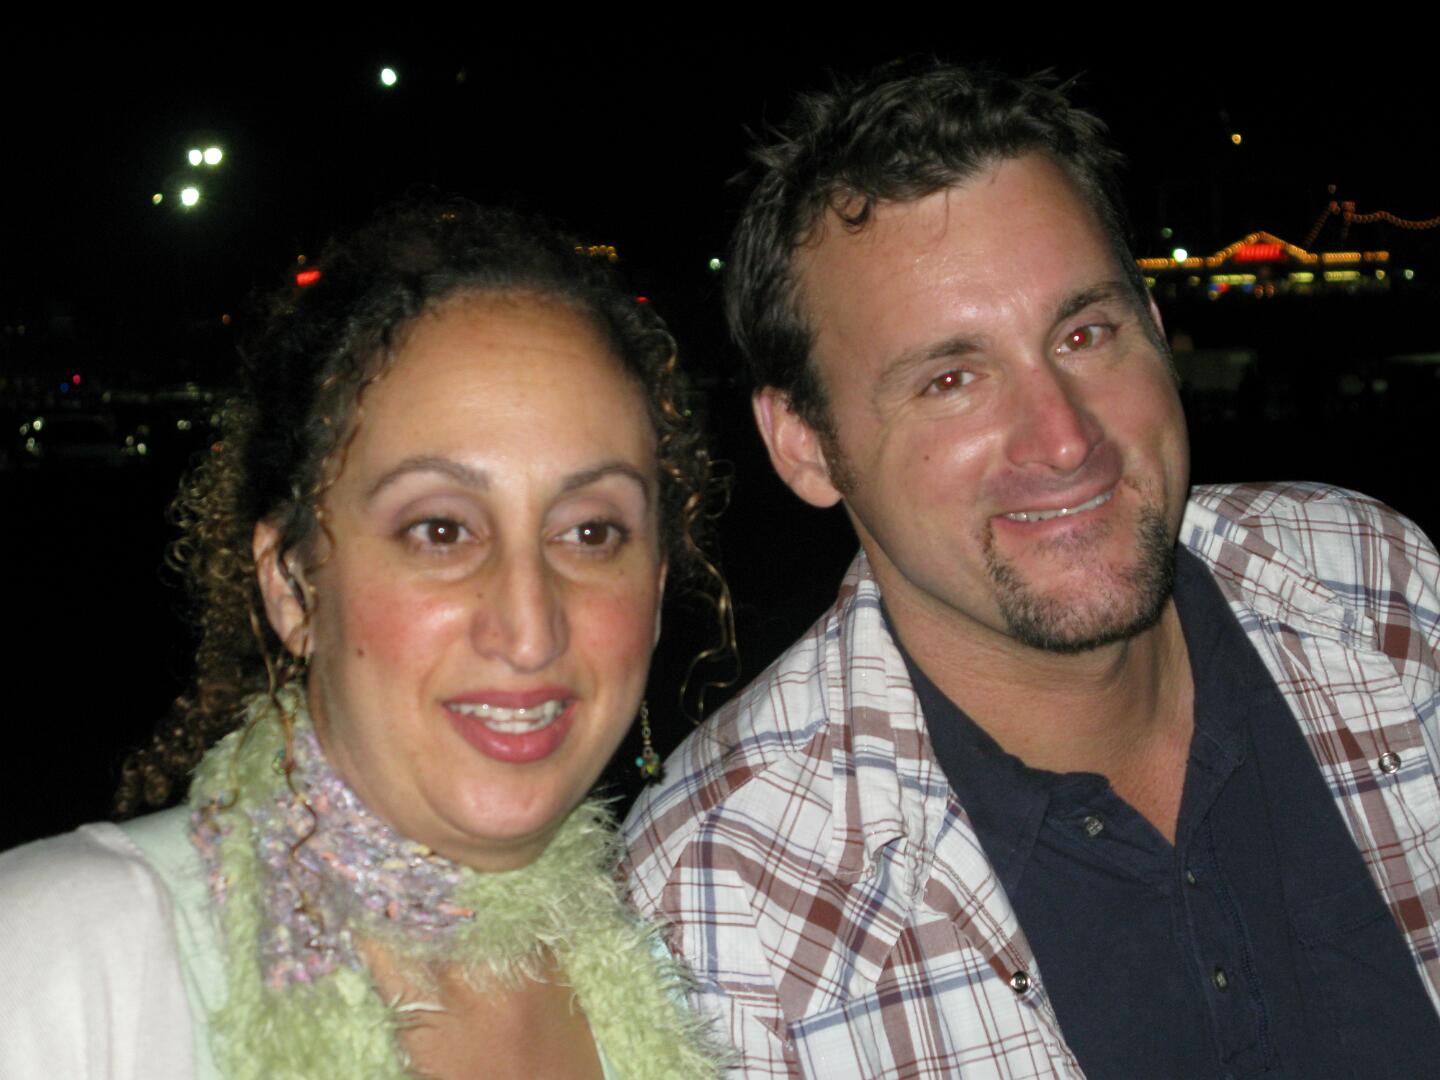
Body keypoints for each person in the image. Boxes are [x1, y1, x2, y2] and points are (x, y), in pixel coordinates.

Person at [623, 60, 1440, 1077]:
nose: (1063, 439)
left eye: (1084, 333)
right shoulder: (717, 918)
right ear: (805, 444)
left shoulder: (1378, 586)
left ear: (1154, 330)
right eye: (951, 379)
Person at [0, 199, 728, 1079]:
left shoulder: (677, 974)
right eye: (440, 531)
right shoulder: (61, 967)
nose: (531, 630)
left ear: (657, 586)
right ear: (292, 585)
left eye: (590, 531)